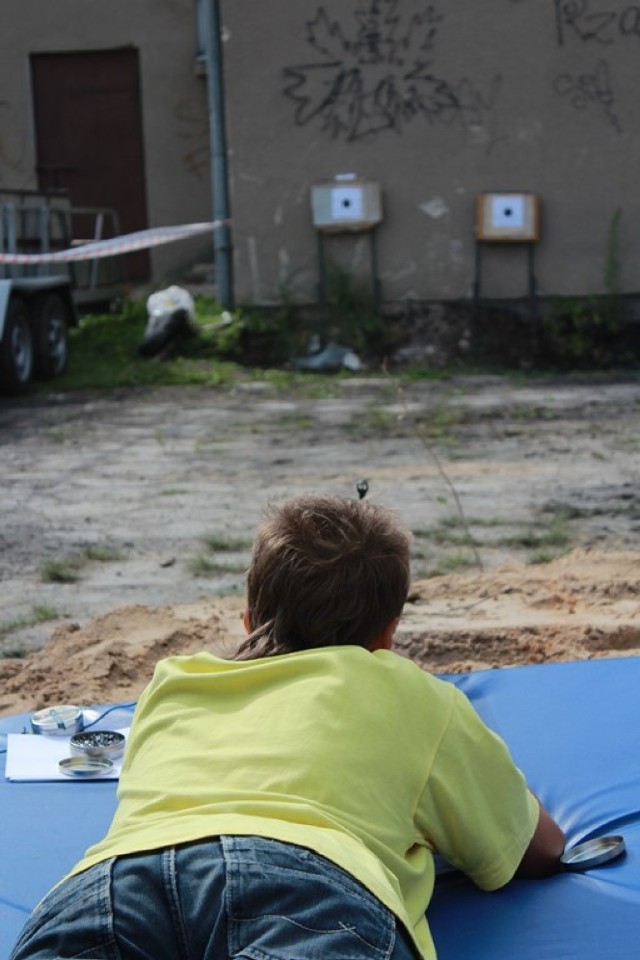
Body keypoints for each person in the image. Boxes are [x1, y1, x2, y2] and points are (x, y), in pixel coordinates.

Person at [10, 494, 565, 960]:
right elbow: (533, 849)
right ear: (389, 635)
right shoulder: (413, 693)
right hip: (302, 882)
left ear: (248, 619)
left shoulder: (173, 682)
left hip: (113, 882)